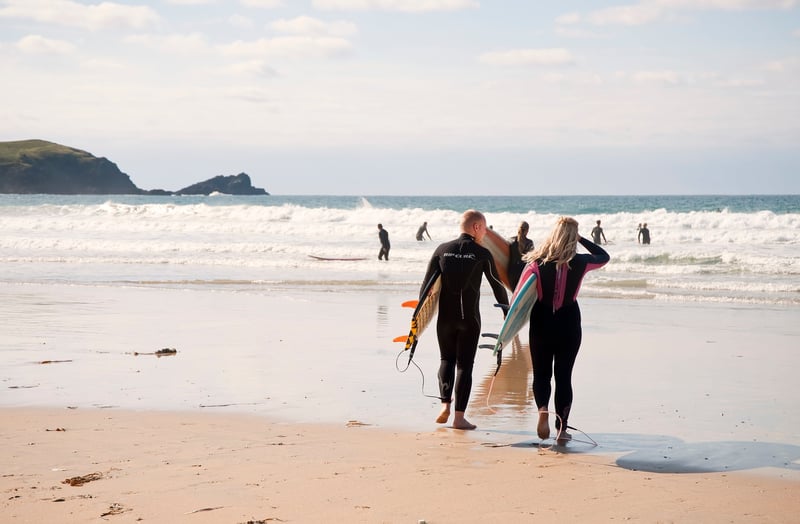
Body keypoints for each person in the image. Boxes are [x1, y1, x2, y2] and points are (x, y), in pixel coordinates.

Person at [523, 216, 609, 444]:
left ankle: (542, 411)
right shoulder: (580, 261)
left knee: (541, 374)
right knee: (564, 377)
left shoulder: (536, 262)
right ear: (573, 237)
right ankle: (561, 429)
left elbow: (520, 294)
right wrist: (581, 239)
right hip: (569, 322)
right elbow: (604, 256)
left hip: (541, 320)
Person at [420, 210, 509, 430]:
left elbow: (426, 287)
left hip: (445, 320)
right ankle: (459, 418)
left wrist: (418, 319)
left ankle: (444, 406)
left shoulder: (442, 250)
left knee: (446, 360)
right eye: (485, 228)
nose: (485, 234)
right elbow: (497, 286)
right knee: (465, 366)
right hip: (469, 320)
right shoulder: (482, 253)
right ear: (476, 227)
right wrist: (508, 314)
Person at [508, 221, 534, 290]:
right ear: (527, 231)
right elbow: (532, 260)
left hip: (511, 273)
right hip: (523, 273)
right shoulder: (529, 243)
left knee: (514, 295)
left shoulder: (510, 240)